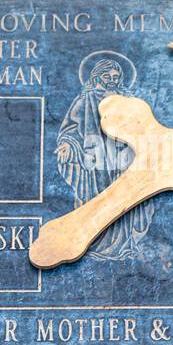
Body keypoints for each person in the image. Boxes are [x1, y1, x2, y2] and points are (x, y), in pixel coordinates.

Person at [55, 58, 153, 259]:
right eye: (107, 76)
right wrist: (67, 145)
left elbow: (143, 124)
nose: (111, 80)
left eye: (115, 77)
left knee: (126, 199)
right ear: (97, 76)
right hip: (95, 160)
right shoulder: (85, 100)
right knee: (96, 199)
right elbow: (71, 129)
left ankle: (124, 245)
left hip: (123, 158)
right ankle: (95, 244)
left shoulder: (127, 98)